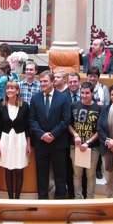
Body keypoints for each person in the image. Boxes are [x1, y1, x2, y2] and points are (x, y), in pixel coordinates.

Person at [29, 70, 72, 199]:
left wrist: (52, 135)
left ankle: (59, 201)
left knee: (60, 175)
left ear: (52, 82)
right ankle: (42, 200)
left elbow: (66, 120)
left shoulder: (64, 97)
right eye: (41, 81)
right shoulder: (35, 98)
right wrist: (43, 135)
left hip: (58, 143)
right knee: (42, 174)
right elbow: (32, 119)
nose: (42, 84)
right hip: (41, 143)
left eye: (45, 81)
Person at [0, 81, 31, 199]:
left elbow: (28, 127)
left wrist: (28, 144)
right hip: (5, 141)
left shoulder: (24, 106)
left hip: (20, 140)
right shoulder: (1, 105)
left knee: (19, 170)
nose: (9, 90)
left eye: (12, 88)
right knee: (8, 170)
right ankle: (10, 198)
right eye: (8, 88)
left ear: (17, 91)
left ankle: (17, 198)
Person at [69, 82, 101, 199]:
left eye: (87, 93)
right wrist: (75, 135)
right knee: (77, 175)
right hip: (76, 147)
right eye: (82, 93)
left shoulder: (98, 108)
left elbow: (100, 130)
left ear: (92, 93)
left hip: (92, 148)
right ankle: (78, 198)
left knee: (91, 175)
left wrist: (88, 142)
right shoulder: (73, 105)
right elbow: (69, 124)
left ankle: (90, 199)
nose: (84, 95)